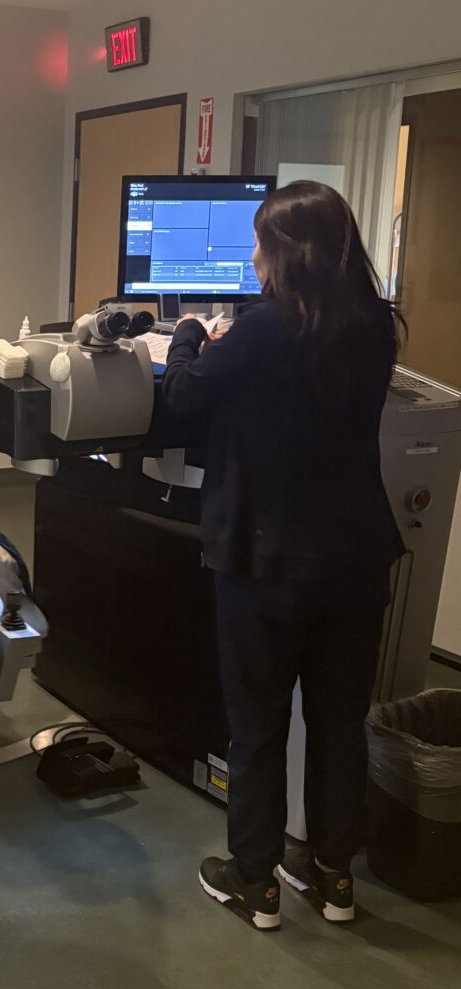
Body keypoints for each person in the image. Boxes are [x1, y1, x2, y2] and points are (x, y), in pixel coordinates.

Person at [161, 181, 405, 931]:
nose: (254, 255)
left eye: (261, 242)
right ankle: (334, 876)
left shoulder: (265, 330)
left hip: (263, 559)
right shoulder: (377, 327)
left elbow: (184, 397)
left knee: (258, 721)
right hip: (356, 559)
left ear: (287, 254)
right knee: (339, 719)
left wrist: (189, 333)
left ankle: (255, 879)